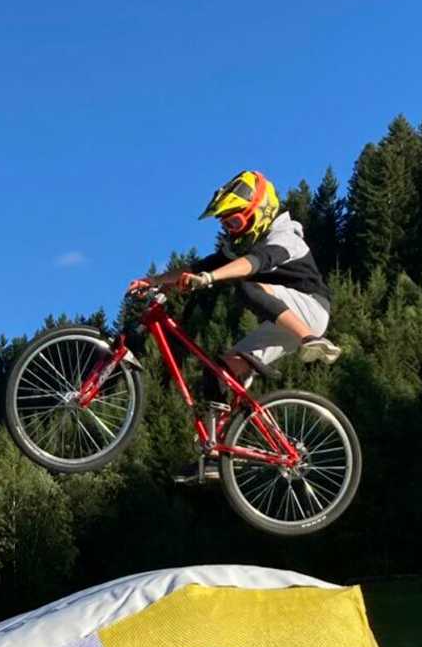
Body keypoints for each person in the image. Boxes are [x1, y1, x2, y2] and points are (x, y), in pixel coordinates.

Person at [129, 170, 340, 480]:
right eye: (226, 225)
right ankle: (216, 454)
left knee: (247, 284)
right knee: (218, 370)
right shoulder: (243, 244)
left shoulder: (286, 237)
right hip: (281, 321)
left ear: (259, 210)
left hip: (310, 311)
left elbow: (254, 264)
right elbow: (200, 266)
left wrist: (210, 278)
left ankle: (310, 340)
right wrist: (154, 281)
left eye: (235, 222)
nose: (231, 230)